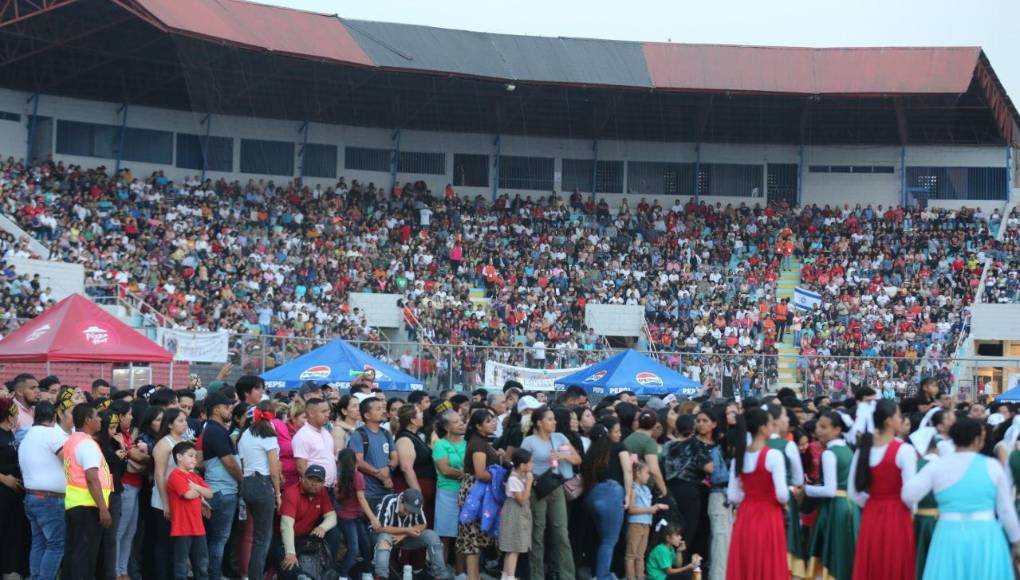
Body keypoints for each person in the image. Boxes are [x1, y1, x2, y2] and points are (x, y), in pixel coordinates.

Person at [902, 417, 1020, 579]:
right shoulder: (992, 466)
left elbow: (908, 494)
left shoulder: (938, 466)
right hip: (986, 533)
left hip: (948, 531)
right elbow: (1005, 509)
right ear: (977, 440)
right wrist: (1016, 540)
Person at [849, 399, 917, 580]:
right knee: (896, 563)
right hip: (898, 514)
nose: (901, 419)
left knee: (872, 563)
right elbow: (910, 494)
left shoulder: (863, 449)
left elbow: (853, 493)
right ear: (888, 421)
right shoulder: (904, 450)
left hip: (871, 514)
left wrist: (874, 502)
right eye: (899, 416)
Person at [726, 407, 789, 580]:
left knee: (746, 562)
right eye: (770, 423)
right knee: (768, 562)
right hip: (769, 515)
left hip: (745, 515)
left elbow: (733, 496)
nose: (773, 426)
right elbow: (782, 495)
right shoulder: (774, 455)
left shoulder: (739, 457)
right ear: (762, 428)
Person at [522, 405, 580, 580]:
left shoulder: (559, 437)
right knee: (537, 533)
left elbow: (577, 459)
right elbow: (521, 465)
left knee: (561, 532)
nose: (554, 422)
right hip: (537, 489)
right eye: (549, 419)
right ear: (539, 422)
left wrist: (563, 456)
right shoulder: (529, 441)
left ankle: (567, 575)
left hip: (556, 487)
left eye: (554, 419)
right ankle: (536, 575)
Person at [804, 411, 859, 580]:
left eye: (824, 427)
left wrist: (806, 489)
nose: (818, 430)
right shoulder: (848, 450)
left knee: (833, 552)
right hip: (851, 506)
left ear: (837, 430)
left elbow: (829, 489)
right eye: (818, 426)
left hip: (835, 507)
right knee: (847, 551)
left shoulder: (829, 453)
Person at [63, 403, 113, 580]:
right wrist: (103, 509)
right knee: (85, 558)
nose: (100, 419)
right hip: (88, 507)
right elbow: (92, 478)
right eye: (97, 416)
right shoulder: (87, 444)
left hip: (75, 505)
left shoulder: (72, 441)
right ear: (87, 420)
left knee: (75, 554)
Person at [580, 418, 633, 580]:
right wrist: (628, 495)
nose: (619, 434)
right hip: (612, 494)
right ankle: (603, 576)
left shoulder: (591, 452)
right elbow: (628, 470)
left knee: (598, 538)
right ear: (608, 433)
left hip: (591, 495)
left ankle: (596, 573)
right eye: (616, 431)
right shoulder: (618, 447)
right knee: (608, 541)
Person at [19, 401, 67, 580]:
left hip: (32, 497)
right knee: (56, 545)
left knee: (39, 542)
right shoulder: (51, 434)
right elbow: (68, 459)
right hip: (49, 500)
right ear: (54, 417)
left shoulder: (27, 436)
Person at [237, 401, 282, 580]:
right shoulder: (268, 435)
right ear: (273, 415)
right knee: (262, 539)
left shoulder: (246, 434)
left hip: (247, 483)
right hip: (262, 484)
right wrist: (278, 493)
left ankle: (250, 575)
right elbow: (273, 469)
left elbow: (243, 463)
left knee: (255, 536)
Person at [200, 392, 243, 580]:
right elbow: (229, 462)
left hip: (221, 490)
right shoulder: (215, 430)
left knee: (218, 539)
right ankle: (214, 575)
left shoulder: (215, 429)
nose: (230, 410)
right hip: (222, 491)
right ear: (217, 409)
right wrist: (242, 479)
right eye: (227, 407)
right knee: (218, 539)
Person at [663, 409, 717, 558]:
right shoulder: (694, 445)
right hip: (690, 491)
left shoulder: (668, 446)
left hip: (670, 489)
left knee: (674, 527)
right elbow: (709, 468)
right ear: (692, 428)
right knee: (689, 529)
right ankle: (684, 561)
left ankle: (669, 561)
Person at [272, 464, 337, 579]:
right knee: (289, 566)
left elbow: (332, 516)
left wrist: (322, 527)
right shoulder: (292, 493)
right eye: (310, 479)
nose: (314, 483)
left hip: (305, 537)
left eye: (318, 481)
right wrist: (290, 552)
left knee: (334, 532)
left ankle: (328, 568)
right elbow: (286, 526)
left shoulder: (322, 492)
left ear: (323, 483)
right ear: (302, 478)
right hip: (283, 539)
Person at [458, 409, 501, 580]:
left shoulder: (482, 441)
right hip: (474, 492)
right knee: (471, 536)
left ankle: (474, 575)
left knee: (476, 535)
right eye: (488, 421)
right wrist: (500, 476)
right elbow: (481, 473)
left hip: (480, 491)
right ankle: (472, 576)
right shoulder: (477, 444)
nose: (493, 423)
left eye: (493, 419)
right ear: (478, 426)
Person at [764, 403, 806, 577]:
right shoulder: (788, 446)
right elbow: (798, 479)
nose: (788, 419)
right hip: (785, 500)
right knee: (786, 542)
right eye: (784, 416)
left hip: (760, 502)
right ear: (774, 421)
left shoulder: (753, 446)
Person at [372, 488, 451, 579]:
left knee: (432, 536)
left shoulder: (415, 505)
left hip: (406, 537)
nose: (408, 513)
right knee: (384, 541)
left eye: (411, 511)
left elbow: (423, 524)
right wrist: (406, 530)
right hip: (385, 535)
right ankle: (381, 576)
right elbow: (380, 527)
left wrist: (404, 534)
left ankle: (440, 575)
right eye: (406, 509)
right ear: (401, 499)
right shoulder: (389, 500)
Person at [150, 408, 190, 580]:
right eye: (180, 421)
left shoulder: (184, 441)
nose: (185, 424)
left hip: (182, 499)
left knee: (178, 545)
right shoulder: (164, 444)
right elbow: (159, 475)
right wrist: (166, 503)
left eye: (185, 420)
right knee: (163, 544)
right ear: (170, 424)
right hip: (164, 500)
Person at [167, 441, 211, 580]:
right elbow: (188, 494)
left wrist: (196, 487)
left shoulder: (195, 477)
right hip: (182, 528)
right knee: (181, 566)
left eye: (195, 456)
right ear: (179, 457)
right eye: (191, 455)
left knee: (202, 565)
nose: (194, 459)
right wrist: (200, 491)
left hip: (198, 527)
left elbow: (210, 493)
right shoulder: (175, 475)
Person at [432, 410, 466, 569]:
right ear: (446, 427)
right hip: (447, 493)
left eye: (461, 420)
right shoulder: (440, 445)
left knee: (463, 534)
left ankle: (461, 573)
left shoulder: (467, 443)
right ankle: (441, 571)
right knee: (445, 535)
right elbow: (445, 470)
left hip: (467, 493)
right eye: (456, 422)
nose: (461, 424)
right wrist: (466, 474)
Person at [336, 447, 377, 579]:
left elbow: (338, 498)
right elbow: (361, 498)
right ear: (356, 462)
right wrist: (373, 518)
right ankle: (342, 574)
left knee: (364, 546)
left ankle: (366, 572)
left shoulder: (341, 477)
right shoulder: (358, 476)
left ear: (340, 463)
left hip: (349, 518)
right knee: (356, 549)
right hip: (350, 519)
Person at [394, 404, 437, 527]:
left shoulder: (415, 436)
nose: (422, 415)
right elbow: (406, 468)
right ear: (412, 420)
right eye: (419, 413)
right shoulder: (404, 438)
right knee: (414, 523)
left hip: (426, 485)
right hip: (414, 487)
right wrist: (418, 493)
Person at [626, 460, 668, 580]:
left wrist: (657, 506)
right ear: (638, 473)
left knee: (640, 554)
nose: (648, 476)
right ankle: (630, 577)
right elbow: (631, 509)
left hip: (646, 524)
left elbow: (647, 506)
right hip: (635, 524)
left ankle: (640, 576)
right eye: (646, 473)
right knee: (631, 554)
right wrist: (650, 509)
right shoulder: (633, 488)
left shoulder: (646, 489)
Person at [0, 397, 27, 578]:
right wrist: (3, 478)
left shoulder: (10, 433)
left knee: (12, 534)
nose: (18, 417)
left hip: (14, 495)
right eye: (15, 413)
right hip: (2, 492)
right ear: (8, 415)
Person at [500, 448, 533, 580]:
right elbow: (522, 500)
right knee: (514, 547)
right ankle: (510, 576)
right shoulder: (513, 478)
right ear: (522, 465)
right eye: (530, 462)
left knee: (514, 548)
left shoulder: (520, 475)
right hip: (515, 513)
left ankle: (505, 575)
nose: (532, 465)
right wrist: (529, 483)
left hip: (519, 513)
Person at [292, 398, 336, 490]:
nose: (328, 414)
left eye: (328, 411)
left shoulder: (326, 432)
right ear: (311, 414)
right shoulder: (302, 436)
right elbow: (301, 466)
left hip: (331, 487)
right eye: (323, 411)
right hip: (316, 488)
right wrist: (314, 486)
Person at [624, 410, 668, 498]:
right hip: (644, 488)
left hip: (630, 485)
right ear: (655, 425)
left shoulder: (629, 438)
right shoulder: (648, 442)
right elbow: (654, 470)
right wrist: (664, 490)